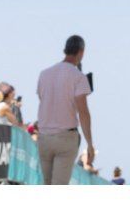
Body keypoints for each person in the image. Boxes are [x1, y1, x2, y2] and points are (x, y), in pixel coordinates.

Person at [34, 34, 94, 185]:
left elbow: (44, 101)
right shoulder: (78, 77)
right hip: (65, 138)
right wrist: (90, 144)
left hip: (44, 137)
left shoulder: (44, 74)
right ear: (81, 52)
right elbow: (83, 113)